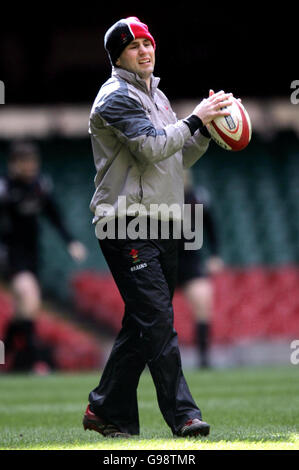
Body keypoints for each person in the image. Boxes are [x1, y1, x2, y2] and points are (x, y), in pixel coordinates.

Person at [83, 16, 233, 438]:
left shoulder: (158, 95)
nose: (145, 50)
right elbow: (150, 148)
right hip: (125, 223)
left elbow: (175, 157)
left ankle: (104, 409)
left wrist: (203, 129)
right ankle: (184, 414)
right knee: (159, 323)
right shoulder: (115, 97)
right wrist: (193, 118)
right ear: (117, 56)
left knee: (143, 323)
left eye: (148, 42)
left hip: (165, 223)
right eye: (134, 46)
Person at [0, 141, 87, 373]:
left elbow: (54, 216)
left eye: (33, 163)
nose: (30, 167)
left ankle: (5, 357)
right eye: (25, 163)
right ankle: (30, 363)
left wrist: (71, 242)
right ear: (14, 164)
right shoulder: (5, 189)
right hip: (11, 255)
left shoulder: (39, 186)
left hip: (33, 254)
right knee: (29, 297)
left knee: (24, 311)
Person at [177, 170, 224, 368]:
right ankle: (145, 359)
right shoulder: (157, 198)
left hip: (190, 261)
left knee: (203, 302)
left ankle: (204, 358)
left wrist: (215, 255)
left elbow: (212, 227)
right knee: (151, 313)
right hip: (162, 261)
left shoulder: (197, 198)